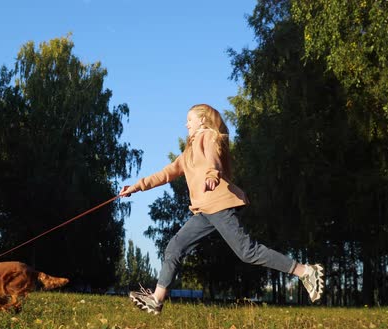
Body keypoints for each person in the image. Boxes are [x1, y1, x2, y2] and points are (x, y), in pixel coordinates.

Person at [119, 104, 324, 315]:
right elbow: (165, 174)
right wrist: (136, 187)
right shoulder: (187, 153)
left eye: (189, 119)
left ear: (202, 120)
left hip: (218, 205)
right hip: (204, 212)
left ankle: (306, 271)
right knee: (175, 247)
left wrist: (211, 175)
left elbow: (213, 160)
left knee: (247, 251)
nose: (186, 124)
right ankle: (156, 299)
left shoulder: (207, 136)